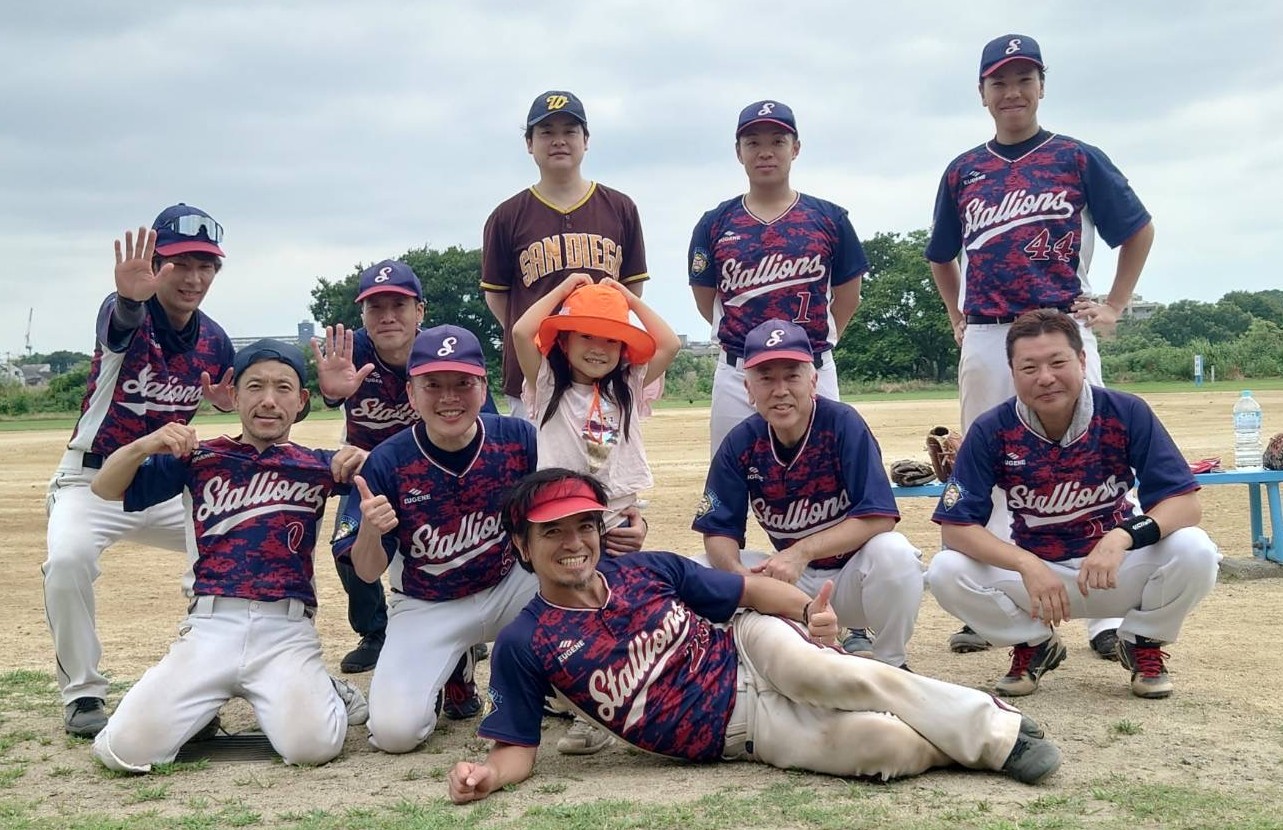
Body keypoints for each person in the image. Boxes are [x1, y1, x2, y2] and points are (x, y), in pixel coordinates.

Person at [446, 469, 1063, 804]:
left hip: (748, 649)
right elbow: (516, 749)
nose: (574, 542)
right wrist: (487, 777)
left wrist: (810, 612)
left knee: (828, 671)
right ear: (522, 545)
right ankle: (960, 729)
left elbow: (749, 591)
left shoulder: (644, 570)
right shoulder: (526, 642)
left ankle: (994, 731)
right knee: (885, 748)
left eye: (584, 526)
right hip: (739, 731)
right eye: (552, 532)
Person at [925, 34, 1155, 657]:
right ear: (982, 93)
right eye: (999, 81)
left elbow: (1137, 229)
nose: (1013, 92)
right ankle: (995, 608)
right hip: (989, 332)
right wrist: (957, 315)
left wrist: (1114, 304)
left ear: (1042, 86)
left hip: (1062, 331)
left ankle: (1105, 614)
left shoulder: (1076, 157)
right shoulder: (963, 170)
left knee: (1096, 464)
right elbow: (941, 255)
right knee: (985, 468)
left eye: (1024, 79)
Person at [87, 340, 369, 772]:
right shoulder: (200, 458)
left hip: (286, 629)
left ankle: (323, 688)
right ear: (234, 396)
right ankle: (202, 708)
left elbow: (399, 477)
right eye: (255, 387)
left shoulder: (318, 465)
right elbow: (105, 487)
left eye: (283, 388)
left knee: (313, 748)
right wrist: (145, 444)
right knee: (122, 751)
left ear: (301, 401)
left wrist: (366, 457)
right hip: (211, 625)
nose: (268, 400)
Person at [926, 310, 1219, 699]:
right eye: (1029, 367)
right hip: (1040, 578)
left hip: (1113, 569)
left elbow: (1184, 504)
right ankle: (1034, 643)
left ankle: (1143, 642)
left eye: (1057, 362)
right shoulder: (992, 429)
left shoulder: (1124, 411)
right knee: (946, 570)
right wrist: (1025, 563)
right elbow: (956, 528)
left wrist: (1122, 537)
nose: (1045, 377)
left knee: (1196, 549)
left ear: (1082, 360)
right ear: (1012, 372)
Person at [43, 204, 236, 737]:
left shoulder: (214, 339)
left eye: (205, 265)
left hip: (162, 483)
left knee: (227, 544)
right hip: (91, 479)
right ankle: (82, 693)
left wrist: (229, 401)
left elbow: (253, 392)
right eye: (179, 263)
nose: (194, 278)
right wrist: (131, 299)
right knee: (67, 561)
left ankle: (197, 683)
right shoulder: (126, 311)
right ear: (154, 265)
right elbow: (120, 323)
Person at [336, 325, 539, 753]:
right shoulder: (388, 461)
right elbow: (368, 572)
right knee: (394, 733)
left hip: (509, 588)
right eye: (433, 385)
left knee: (582, 572)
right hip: (428, 603)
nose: (449, 397)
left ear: (483, 388)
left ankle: (554, 685)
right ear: (411, 394)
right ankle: (454, 664)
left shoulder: (518, 440)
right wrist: (371, 529)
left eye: (463, 383)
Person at [510, 273, 678, 753]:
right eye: (586, 335)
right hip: (566, 519)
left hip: (617, 519)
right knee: (571, 611)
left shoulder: (629, 384)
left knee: (619, 610)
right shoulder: (546, 384)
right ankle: (579, 708)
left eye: (611, 339)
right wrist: (566, 291)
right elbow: (522, 331)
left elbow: (667, 342)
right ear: (563, 341)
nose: (599, 348)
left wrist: (625, 297)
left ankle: (627, 699)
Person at [313, 260, 488, 720]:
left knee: (453, 542)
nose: (387, 316)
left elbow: (481, 420)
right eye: (376, 307)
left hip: (435, 472)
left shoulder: (440, 354)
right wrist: (331, 394)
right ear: (363, 315)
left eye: (399, 305)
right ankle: (375, 630)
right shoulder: (352, 353)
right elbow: (314, 393)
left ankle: (467, 630)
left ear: (420, 311)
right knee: (348, 547)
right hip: (371, 474)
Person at [693, 319, 923, 668]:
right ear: (749, 389)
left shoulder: (842, 424)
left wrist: (801, 551)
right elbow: (717, 530)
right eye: (766, 378)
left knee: (895, 553)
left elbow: (879, 517)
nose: (780, 390)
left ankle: (892, 663)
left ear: (813, 381)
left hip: (853, 580)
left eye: (792, 376)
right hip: (790, 582)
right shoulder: (741, 442)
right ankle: (749, 665)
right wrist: (740, 576)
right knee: (701, 569)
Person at [688, 100, 868, 456]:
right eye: (753, 142)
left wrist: (816, 343)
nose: (765, 152)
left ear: (795, 148)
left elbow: (848, 296)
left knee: (824, 472)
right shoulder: (714, 223)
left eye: (777, 141)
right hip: (739, 373)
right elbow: (706, 299)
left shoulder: (829, 219)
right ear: (739, 152)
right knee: (733, 471)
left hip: (810, 368)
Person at [482, 90, 649, 419]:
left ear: (586, 140)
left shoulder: (620, 208)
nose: (559, 140)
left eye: (570, 131)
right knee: (535, 454)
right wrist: (535, 337)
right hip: (534, 373)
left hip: (602, 372)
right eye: (546, 132)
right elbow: (498, 298)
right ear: (529, 143)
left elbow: (631, 290)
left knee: (604, 455)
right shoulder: (506, 216)